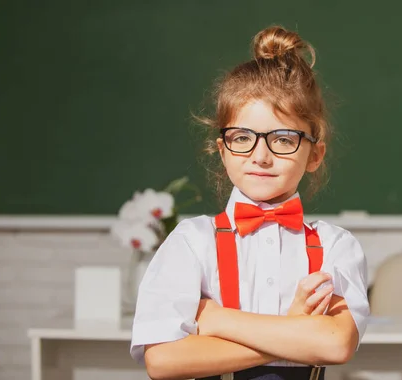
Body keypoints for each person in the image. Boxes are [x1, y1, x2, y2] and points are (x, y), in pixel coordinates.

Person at [130, 25, 370, 380]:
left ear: (315, 154)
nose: (260, 156)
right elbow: (164, 362)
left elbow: (334, 345)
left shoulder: (336, 246)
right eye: (242, 137)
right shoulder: (191, 242)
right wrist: (292, 328)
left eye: (284, 139)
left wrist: (215, 319)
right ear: (222, 149)